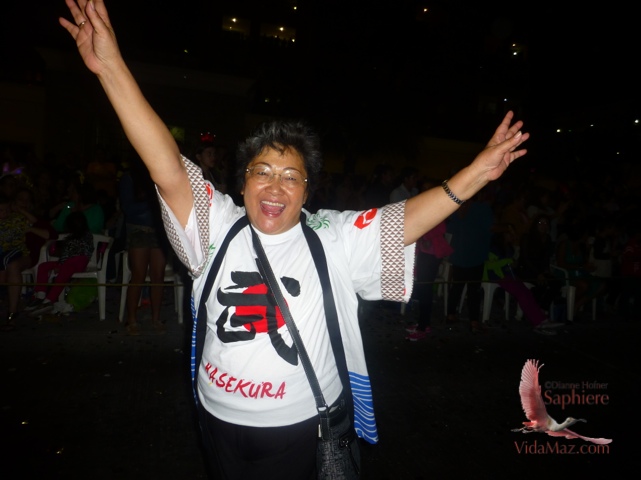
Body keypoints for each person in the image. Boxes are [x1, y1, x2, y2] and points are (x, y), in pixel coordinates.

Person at [59, 1, 529, 477]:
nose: (274, 187)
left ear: (307, 191)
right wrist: (111, 68)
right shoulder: (215, 224)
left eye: (291, 176)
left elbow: (403, 220)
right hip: (216, 418)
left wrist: (476, 173)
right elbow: (166, 167)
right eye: (261, 171)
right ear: (242, 182)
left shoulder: (332, 237)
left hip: (301, 426)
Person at [119, 155, 169, 335]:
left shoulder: (158, 174)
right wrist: (153, 201)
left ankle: (156, 319)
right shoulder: (129, 178)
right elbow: (129, 209)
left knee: (158, 276)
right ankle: (131, 320)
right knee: (138, 276)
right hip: (138, 230)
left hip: (158, 229)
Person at [26, 211, 95, 316]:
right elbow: (67, 256)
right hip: (69, 262)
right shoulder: (83, 235)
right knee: (43, 266)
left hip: (77, 263)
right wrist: (61, 264)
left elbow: (69, 255)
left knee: (63, 273)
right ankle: (40, 295)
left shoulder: (79, 238)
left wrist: (60, 265)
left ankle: (49, 299)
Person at [445, 191, 494, 333]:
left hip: (460, 254)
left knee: (457, 287)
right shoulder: (482, 209)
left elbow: (450, 229)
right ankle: (473, 321)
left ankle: (451, 314)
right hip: (474, 255)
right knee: (473, 290)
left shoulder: (457, 208)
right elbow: (489, 227)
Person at [0, 194, 33, 331]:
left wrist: (20, 210)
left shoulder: (17, 219)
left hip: (19, 254)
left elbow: (36, 224)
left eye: (7, 209)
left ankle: (12, 314)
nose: (4, 213)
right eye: (1, 210)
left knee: (12, 266)